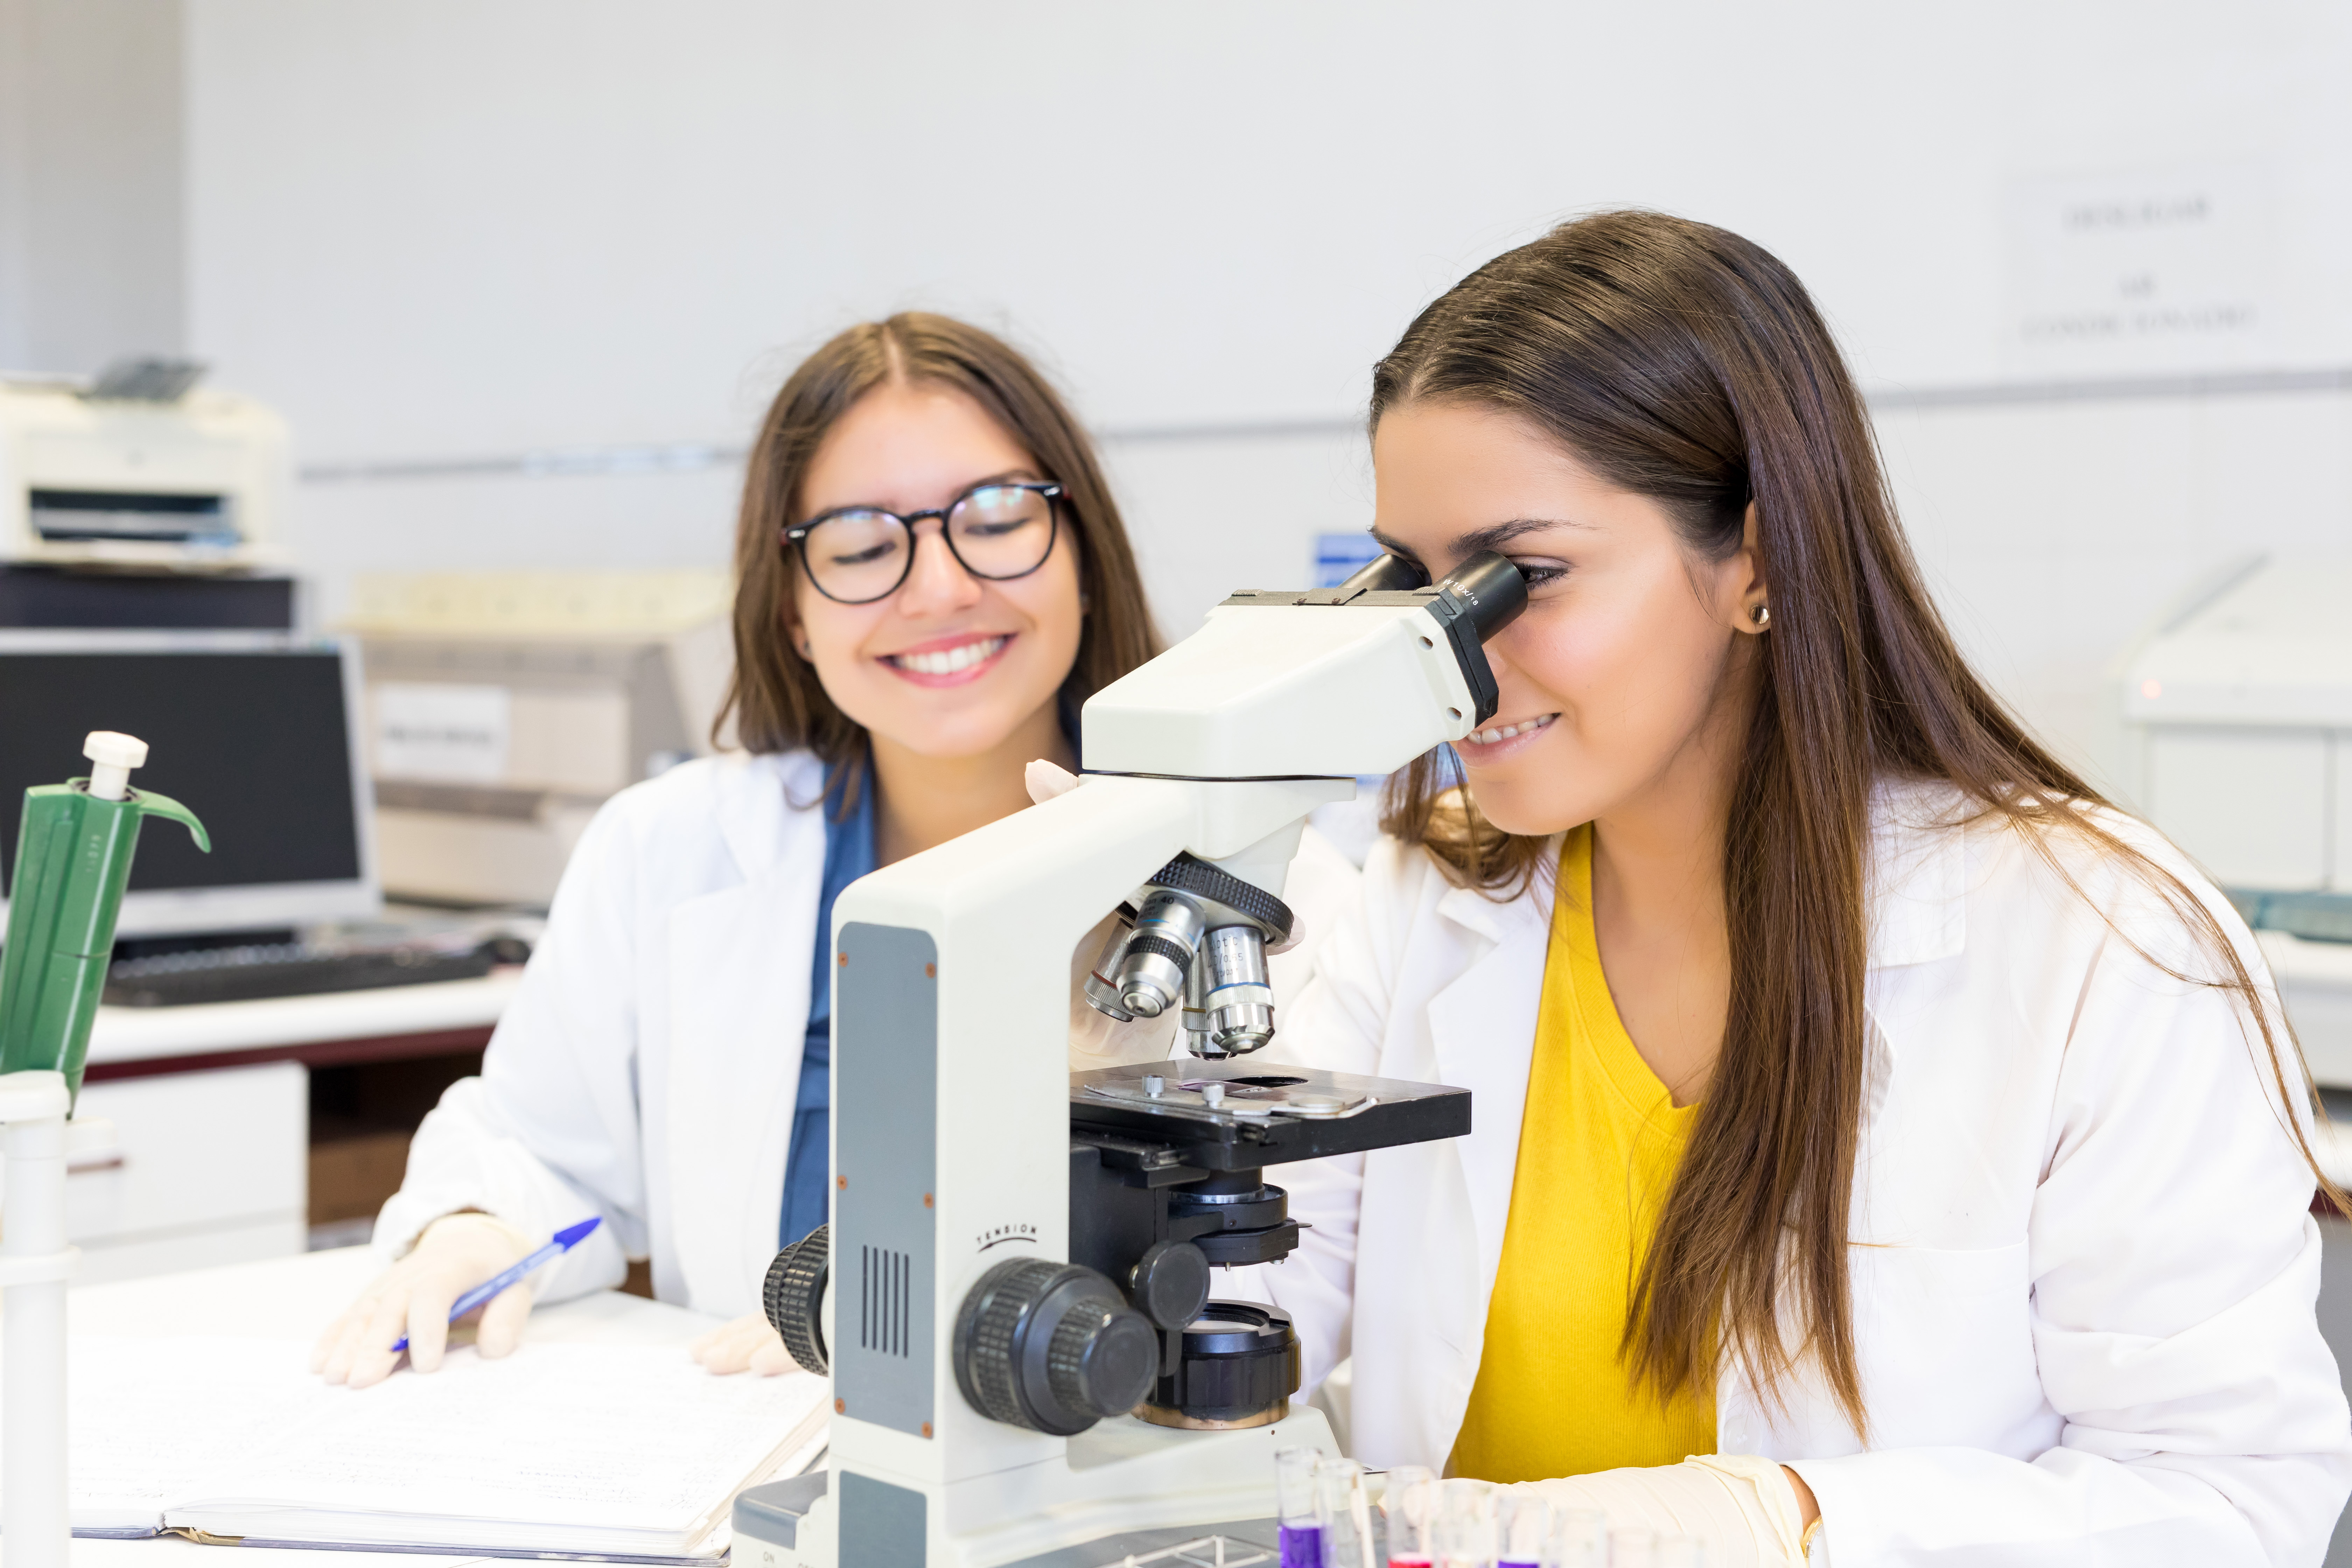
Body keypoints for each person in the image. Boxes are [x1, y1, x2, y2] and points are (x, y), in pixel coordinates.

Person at [1230, 213, 2352, 1566]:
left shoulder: (2098, 943)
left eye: (1522, 579)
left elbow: (2228, 1504)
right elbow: (1250, 1325)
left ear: (1757, 561)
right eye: (1417, 586)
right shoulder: (1426, 893)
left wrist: (1784, 1521)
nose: (1450, 662)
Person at [312, 313, 1359, 1390]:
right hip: (735, 1453)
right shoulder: (669, 847)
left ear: (1084, 556)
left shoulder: (1247, 882)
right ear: (794, 614)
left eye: (999, 520)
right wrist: (476, 1227)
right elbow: (538, 1147)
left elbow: (1286, 1285)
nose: (939, 588)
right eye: (861, 547)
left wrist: (940, 1316)